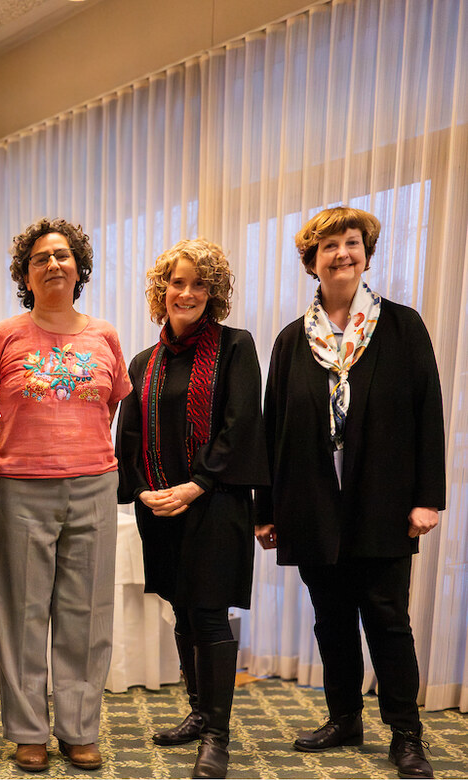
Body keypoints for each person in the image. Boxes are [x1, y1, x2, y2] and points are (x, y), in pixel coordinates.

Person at [256, 206, 445, 779]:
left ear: (366, 253)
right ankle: (344, 718)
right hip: (312, 504)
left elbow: (427, 414)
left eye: (352, 242)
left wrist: (427, 497)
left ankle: (406, 734)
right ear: (312, 262)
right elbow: (273, 430)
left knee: (388, 618)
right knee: (330, 618)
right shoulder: (292, 341)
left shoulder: (402, 325)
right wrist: (269, 511)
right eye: (330, 245)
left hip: (383, 502)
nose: (343, 253)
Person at [0, 217, 130, 774]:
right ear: (26, 274)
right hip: (19, 489)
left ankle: (80, 728)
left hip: (93, 485)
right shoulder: (5, 335)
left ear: (79, 268)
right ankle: (28, 732)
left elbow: (109, 409)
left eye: (63, 255)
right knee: (21, 612)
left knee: (86, 613)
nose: (54, 264)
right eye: (41, 258)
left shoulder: (106, 335)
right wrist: (5, 453)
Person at [115, 239, 268, 778]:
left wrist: (196, 484)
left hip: (215, 504)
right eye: (177, 283)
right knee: (181, 609)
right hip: (161, 507)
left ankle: (218, 738)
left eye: (198, 284)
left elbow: (242, 423)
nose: (186, 292)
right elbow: (128, 437)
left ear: (214, 292)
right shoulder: (143, 361)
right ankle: (199, 713)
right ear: (163, 290)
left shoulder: (235, 346)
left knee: (207, 614)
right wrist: (142, 491)